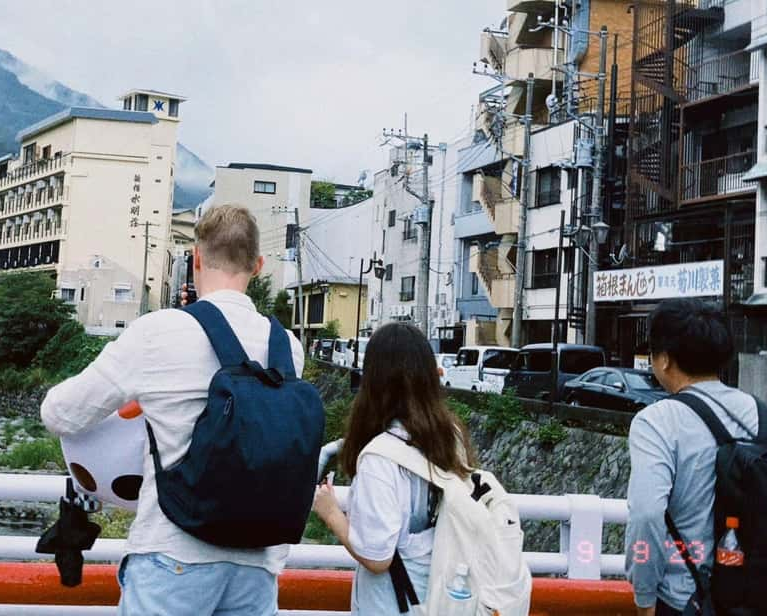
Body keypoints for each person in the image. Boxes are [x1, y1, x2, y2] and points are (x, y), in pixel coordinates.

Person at [41, 204, 304, 616]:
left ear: (196, 258)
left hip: (174, 553)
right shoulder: (288, 346)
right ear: (258, 265)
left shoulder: (158, 332)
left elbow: (61, 413)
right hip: (258, 563)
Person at [625, 298, 767, 616]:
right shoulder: (766, 416)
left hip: (687, 600)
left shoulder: (657, 421)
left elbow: (647, 515)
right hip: (765, 599)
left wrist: (644, 599)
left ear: (664, 359)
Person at [311, 322, 474, 615]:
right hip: (444, 596)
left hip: (394, 602)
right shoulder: (450, 436)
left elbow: (377, 557)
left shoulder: (380, 458)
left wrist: (332, 513)